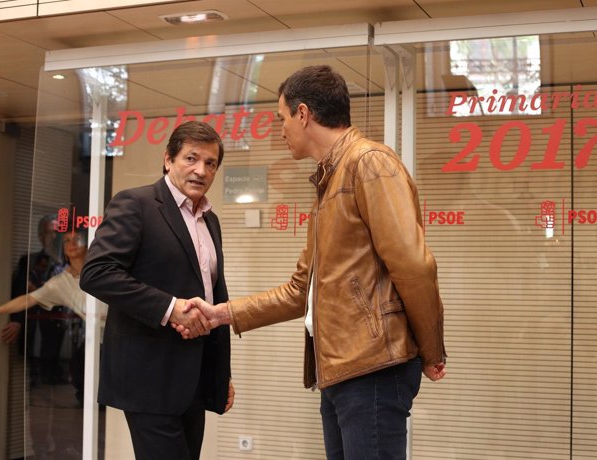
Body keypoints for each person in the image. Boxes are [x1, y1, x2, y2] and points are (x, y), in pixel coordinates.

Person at [179, 65, 447, 460]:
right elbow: (299, 291)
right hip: (342, 369)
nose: (281, 129)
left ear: (303, 114)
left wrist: (432, 349)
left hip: (373, 367)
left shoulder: (369, 163)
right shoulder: (329, 179)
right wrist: (221, 314)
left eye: (282, 118)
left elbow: (414, 266)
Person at [79, 120, 234, 460]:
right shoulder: (136, 204)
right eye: (190, 158)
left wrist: (221, 375)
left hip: (195, 378)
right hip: (149, 376)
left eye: (210, 163)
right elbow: (96, 272)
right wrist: (169, 308)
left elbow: (214, 297)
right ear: (168, 159)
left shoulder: (210, 220)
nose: (200, 170)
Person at [0, 230, 101, 401]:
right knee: (83, 376)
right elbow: (28, 299)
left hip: (125, 330)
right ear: (63, 249)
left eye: (77, 240)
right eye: (66, 241)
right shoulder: (58, 284)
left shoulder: (103, 269)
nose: (71, 244)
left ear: (87, 245)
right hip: (100, 339)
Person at [7, 214, 68, 384]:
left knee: (53, 369)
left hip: (61, 322)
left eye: (58, 233)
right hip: (33, 322)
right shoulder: (29, 261)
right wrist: (17, 321)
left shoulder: (72, 263)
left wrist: (38, 290)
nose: (55, 237)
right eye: (50, 233)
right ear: (41, 237)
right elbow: (21, 291)